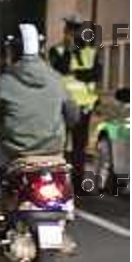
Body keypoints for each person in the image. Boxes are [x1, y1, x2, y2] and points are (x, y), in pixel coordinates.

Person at [0, 23, 79, 225]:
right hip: (52, 151)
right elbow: (72, 114)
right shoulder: (56, 79)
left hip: (16, 151)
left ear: (13, 51)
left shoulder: (5, 81)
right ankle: (67, 206)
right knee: (64, 170)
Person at [48, 15, 102, 193]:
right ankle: (57, 181)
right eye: (70, 31)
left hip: (84, 106)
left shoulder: (91, 52)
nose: (73, 34)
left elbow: (94, 75)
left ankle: (78, 184)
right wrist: (71, 54)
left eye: (76, 31)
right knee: (60, 144)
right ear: (65, 32)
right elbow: (59, 69)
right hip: (62, 104)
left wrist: (75, 71)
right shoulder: (56, 51)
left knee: (80, 147)